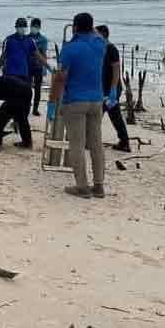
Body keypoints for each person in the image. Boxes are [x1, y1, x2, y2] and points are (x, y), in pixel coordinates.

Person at [58, 12, 108, 198]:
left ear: (75, 27)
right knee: (96, 144)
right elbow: (96, 33)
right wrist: (87, 28)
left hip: (75, 99)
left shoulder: (70, 48)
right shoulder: (100, 44)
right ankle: (99, 185)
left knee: (77, 145)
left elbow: (62, 77)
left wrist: (58, 102)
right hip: (96, 99)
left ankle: (82, 186)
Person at [95, 25, 131, 152]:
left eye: (96, 34)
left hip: (112, 89)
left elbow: (116, 70)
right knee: (114, 115)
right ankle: (124, 141)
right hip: (103, 89)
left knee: (97, 114)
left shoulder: (111, 48)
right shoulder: (100, 49)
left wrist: (113, 90)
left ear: (103, 34)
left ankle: (91, 141)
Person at [0, 17, 47, 84]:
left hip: (24, 74)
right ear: (16, 27)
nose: (22, 28)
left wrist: (48, 67)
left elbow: (39, 56)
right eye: (20, 26)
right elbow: (3, 56)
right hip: (9, 73)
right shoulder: (9, 40)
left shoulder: (30, 41)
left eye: (23, 26)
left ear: (26, 28)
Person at [28, 18, 49, 116]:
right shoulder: (26, 38)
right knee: (26, 88)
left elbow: (44, 54)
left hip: (38, 67)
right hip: (27, 66)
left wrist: (45, 68)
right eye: (33, 26)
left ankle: (35, 109)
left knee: (37, 89)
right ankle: (26, 106)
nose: (34, 28)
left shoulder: (43, 40)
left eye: (36, 26)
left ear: (39, 27)